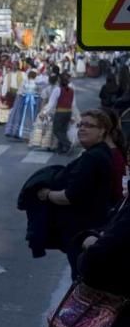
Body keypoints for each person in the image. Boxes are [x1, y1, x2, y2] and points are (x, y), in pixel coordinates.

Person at [37, 109, 117, 277]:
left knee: (80, 276)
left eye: (89, 125)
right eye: (80, 125)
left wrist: (47, 194)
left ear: (102, 131)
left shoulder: (92, 158)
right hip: (90, 225)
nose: (82, 129)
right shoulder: (100, 153)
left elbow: (70, 196)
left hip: (82, 229)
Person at [6, 70, 41, 141]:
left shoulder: (32, 83)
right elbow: (38, 93)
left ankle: (20, 132)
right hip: (27, 101)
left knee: (21, 116)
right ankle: (22, 133)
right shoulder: (31, 82)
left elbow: (20, 91)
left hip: (26, 101)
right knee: (27, 117)